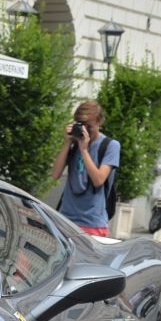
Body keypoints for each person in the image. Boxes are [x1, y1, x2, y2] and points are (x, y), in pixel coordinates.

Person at [51, 100, 119, 236]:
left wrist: (84, 149)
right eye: (82, 125)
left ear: (99, 122)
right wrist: (67, 143)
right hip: (66, 220)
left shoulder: (110, 145)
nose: (85, 131)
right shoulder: (74, 143)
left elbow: (98, 180)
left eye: (89, 126)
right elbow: (55, 174)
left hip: (92, 224)